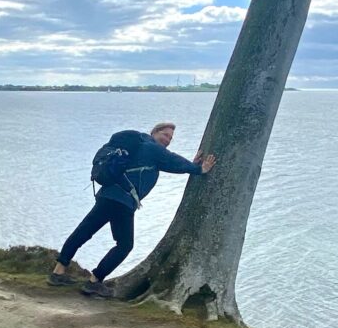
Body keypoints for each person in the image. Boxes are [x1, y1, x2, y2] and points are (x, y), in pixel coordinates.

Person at [49, 122, 216, 297]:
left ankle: (58, 272)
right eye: (165, 135)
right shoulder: (153, 149)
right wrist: (199, 169)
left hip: (106, 195)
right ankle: (94, 281)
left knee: (83, 231)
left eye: (170, 138)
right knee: (125, 245)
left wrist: (191, 164)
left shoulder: (138, 145)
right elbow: (173, 161)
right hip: (122, 203)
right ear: (155, 132)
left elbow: (170, 162)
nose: (167, 140)